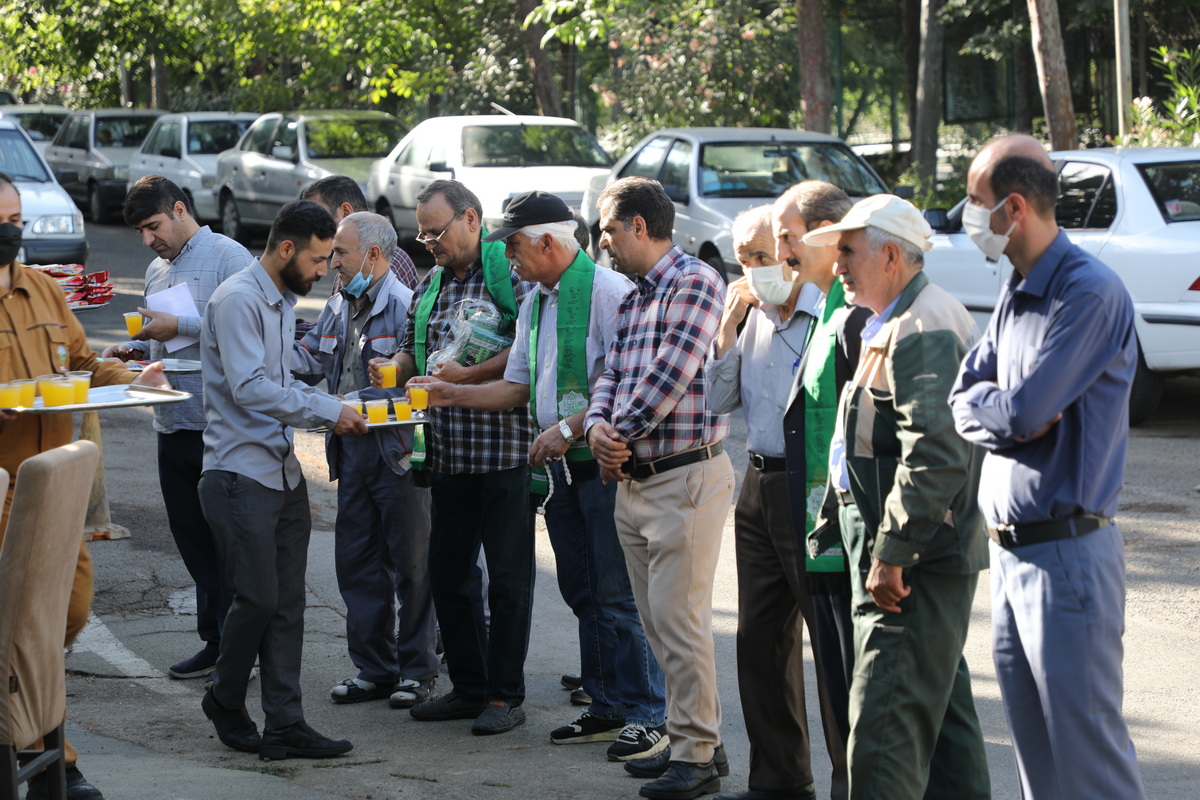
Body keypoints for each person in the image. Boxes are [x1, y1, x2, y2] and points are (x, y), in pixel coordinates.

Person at [406, 191, 669, 760]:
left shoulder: (608, 292)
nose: (508, 259)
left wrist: (569, 430)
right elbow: (517, 387)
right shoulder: (539, 301)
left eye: (514, 247)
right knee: (583, 591)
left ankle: (647, 714)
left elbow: (628, 388)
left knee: (618, 595)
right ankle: (605, 705)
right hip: (562, 470)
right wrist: (449, 392)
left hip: (602, 464)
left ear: (547, 242)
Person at [950, 134, 1147, 800]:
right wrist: (1003, 410)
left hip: (1068, 557)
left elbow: (1027, 410)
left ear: (1014, 207)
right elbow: (966, 398)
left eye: (975, 200)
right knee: (1041, 768)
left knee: (1089, 766)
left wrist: (1006, 410)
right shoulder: (1019, 286)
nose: (966, 214)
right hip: (1012, 557)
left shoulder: (1086, 293)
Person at [802, 194, 990, 800]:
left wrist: (893, 552)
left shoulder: (921, 324)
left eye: (848, 252)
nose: (838, 266)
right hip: (908, 551)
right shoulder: (898, 318)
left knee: (883, 734)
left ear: (890, 256)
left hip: (912, 559)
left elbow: (935, 453)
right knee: (944, 728)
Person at [0, 172, 170, 800]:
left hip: (52, 495)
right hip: (0, 492)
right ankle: (52, 760)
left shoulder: (43, 290)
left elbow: (81, 363)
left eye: (16, 220)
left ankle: (32, 744)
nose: (10, 231)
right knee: (17, 629)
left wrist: (131, 378)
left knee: (65, 613)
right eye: (0, 221)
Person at [197, 200, 367, 761]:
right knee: (259, 599)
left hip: (281, 470)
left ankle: (285, 723)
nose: (324, 271)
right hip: (238, 473)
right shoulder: (238, 299)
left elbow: (283, 376)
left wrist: (333, 397)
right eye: (318, 260)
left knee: (288, 605)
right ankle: (224, 697)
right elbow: (249, 388)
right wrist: (326, 410)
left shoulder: (278, 301)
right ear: (287, 249)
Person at [584, 176, 734, 800]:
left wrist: (612, 435)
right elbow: (608, 373)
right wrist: (595, 427)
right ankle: (697, 741)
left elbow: (671, 375)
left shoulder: (696, 282)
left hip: (684, 477)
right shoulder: (632, 297)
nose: (603, 242)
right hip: (636, 480)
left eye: (608, 230)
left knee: (680, 623)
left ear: (639, 226)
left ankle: (694, 756)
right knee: (662, 627)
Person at [369, 179, 536, 736]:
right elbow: (413, 348)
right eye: (422, 234)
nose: (429, 243)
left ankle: (505, 696)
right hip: (446, 455)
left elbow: (530, 350)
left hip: (505, 455)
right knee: (449, 575)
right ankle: (469, 687)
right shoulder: (432, 283)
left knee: (508, 582)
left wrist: (466, 376)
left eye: (435, 232)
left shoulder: (512, 274)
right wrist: (394, 366)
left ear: (471, 220)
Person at [702, 184, 853, 800]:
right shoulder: (751, 318)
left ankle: (851, 781)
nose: (753, 270)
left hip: (812, 486)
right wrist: (728, 327)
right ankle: (779, 781)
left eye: (763, 255)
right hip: (758, 483)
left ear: (792, 253)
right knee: (761, 640)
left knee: (832, 638)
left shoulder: (827, 315)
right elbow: (718, 400)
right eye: (743, 259)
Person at [101, 175, 254, 681]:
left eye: (154, 226)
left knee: (227, 544)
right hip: (171, 422)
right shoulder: (155, 269)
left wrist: (181, 326)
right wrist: (134, 350)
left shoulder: (229, 256)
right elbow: (163, 345)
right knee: (193, 542)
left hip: (219, 426)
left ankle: (240, 651)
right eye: (141, 232)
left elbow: (253, 328)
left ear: (180, 209)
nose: (148, 239)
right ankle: (216, 643)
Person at [291, 211, 438, 709]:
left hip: (397, 453)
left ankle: (417, 671)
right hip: (351, 452)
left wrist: (356, 398)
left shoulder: (406, 306)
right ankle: (374, 669)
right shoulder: (338, 303)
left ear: (373, 255)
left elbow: (418, 384)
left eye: (341, 253)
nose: (333, 262)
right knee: (357, 563)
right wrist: (260, 348)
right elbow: (311, 359)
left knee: (413, 565)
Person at [773, 181, 868, 800]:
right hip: (823, 523)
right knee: (838, 679)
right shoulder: (829, 306)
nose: (781, 251)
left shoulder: (856, 316)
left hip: (854, 535)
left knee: (862, 693)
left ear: (829, 236)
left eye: (788, 237)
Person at [300, 175, 419, 291]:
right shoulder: (350, 270)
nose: (313, 228)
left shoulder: (387, 264)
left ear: (345, 212)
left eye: (319, 217)